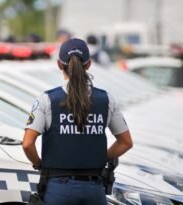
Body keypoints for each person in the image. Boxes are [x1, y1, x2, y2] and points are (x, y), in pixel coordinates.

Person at [22, 38, 133, 205]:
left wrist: (39, 164)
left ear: (59, 65)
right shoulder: (107, 99)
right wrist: (99, 157)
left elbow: (27, 144)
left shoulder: (46, 99)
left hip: (57, 188)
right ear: (88, 64)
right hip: (94, 188)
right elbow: (125, 142)